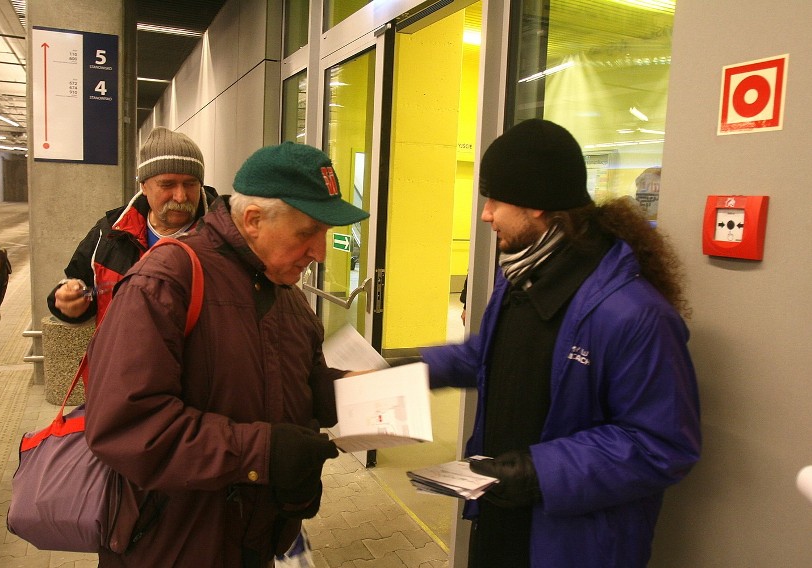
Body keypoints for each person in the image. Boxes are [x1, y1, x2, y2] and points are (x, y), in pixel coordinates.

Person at [419, 119, 701, 568]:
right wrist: (413, 371)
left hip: (572, 542)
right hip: (499, 513)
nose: (486, 213)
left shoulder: (633, 313)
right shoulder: (519, 279)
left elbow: (661, 445)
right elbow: (487, 356)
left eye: (494, 199)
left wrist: (534, 473)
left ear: (536, 206)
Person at [84, 141, 370, 567]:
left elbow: (294, 383)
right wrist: (263, 453)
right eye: (308, 232)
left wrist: (352, 391)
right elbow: (124, 425)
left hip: (252, 541)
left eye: (327, 234)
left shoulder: (287, 295)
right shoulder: (165, 281)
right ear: (253, 220)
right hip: (172, 545)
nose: (320, 253)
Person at [47, 126, 217, 325]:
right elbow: (78, 284)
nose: (180, 196)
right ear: (144, 185)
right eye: (167, 185)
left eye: (190, 184)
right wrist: (70, 298)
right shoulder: (110, 233)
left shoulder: (224, 236)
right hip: (120, 355)